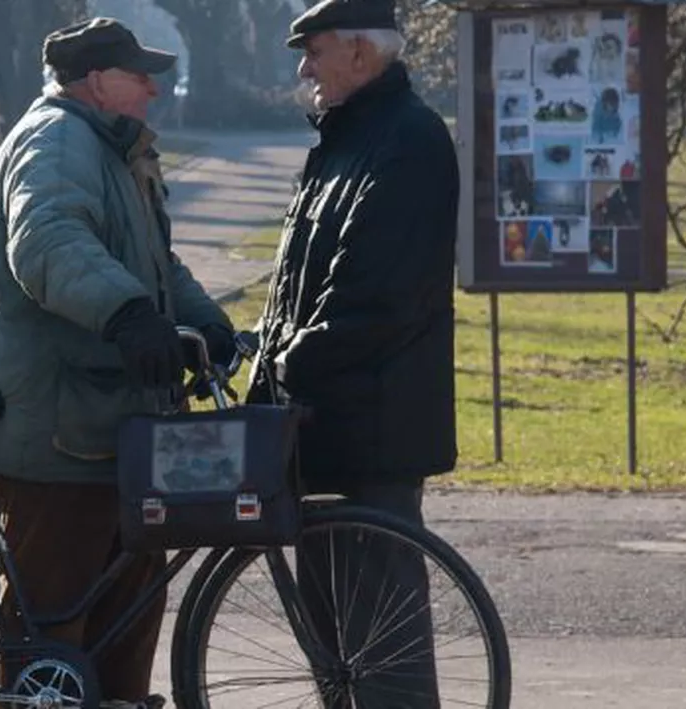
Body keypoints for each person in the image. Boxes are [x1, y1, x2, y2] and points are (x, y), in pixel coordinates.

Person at [0, 16, 235, 709]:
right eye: (138, 74)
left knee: (124, 625)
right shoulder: (55, 142)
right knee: (49, 639)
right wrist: (128, 314)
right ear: (95, 81)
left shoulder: (113, 148)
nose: (153, 87)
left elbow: (155, 262)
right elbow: (47, 243)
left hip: (112, 429)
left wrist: (205, 323)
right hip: (56, 434)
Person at [248, 0, 460, 706]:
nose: (304, 68)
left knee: (381, 658)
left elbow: (374, 298)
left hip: (373, 433)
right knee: (338, 656)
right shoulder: (346, 139)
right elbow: (297, 286)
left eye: (314, 51)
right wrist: (263, 354)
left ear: (361, 54)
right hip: (325, 432)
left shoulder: (407, 142)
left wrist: (287, 363)